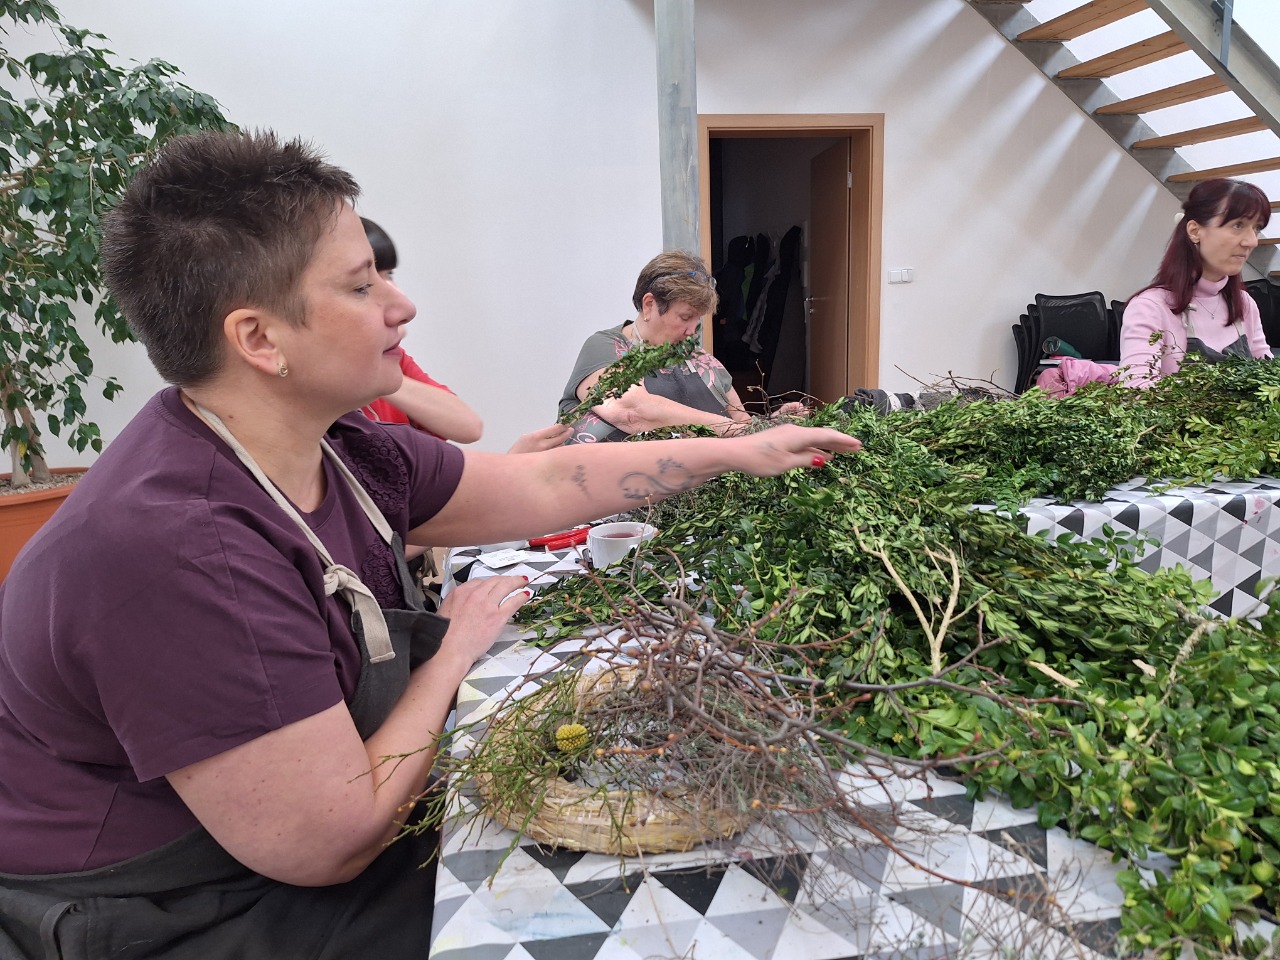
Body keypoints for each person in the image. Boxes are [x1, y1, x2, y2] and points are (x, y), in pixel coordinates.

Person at [0, 130, 860, 959]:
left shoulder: (338, 446)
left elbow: (545, 485)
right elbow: (328, 842)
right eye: (361, 285)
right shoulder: (181, 550)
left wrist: (741, 452)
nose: (401, 304)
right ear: (258, 339)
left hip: (295, 834)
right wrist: (450, 656)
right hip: (178, 906)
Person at [360, 217, 569, 452]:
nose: (399, 297)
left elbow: (468, 427)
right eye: (363, 285)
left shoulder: (393, 361)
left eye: (389, 275)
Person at [558, 251, 807, 443]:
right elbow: (631, 410)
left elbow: (741, 423)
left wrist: (772, 424)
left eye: (697, 319)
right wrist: (732, 430)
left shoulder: (703, 363)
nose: (692, 330)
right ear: (649, 305)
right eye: (685, 317)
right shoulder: (605, 347)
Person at [1120, 177, 1273, 387]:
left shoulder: (1244, 304)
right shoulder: (1150, 308)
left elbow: (1267, 374)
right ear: (1194, 231)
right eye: (1238, 225)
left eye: (1256, 228)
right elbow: (1135, 391)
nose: (1252, 241)